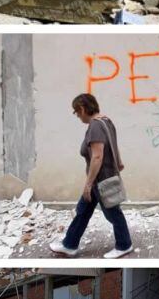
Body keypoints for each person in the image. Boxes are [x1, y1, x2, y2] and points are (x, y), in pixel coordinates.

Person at [50, 93, 134, 259]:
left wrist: (88, 184)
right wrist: (118, 161)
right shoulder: (106, 121)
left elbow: (97, 156)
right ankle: (69, 244)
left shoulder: (95, 126)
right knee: (83, 211)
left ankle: (124, 245)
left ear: (82, 109)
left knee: (113, 213)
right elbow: (113, 144)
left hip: (100, 179)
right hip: (102, 177)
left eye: (76, 112)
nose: (77, 116)